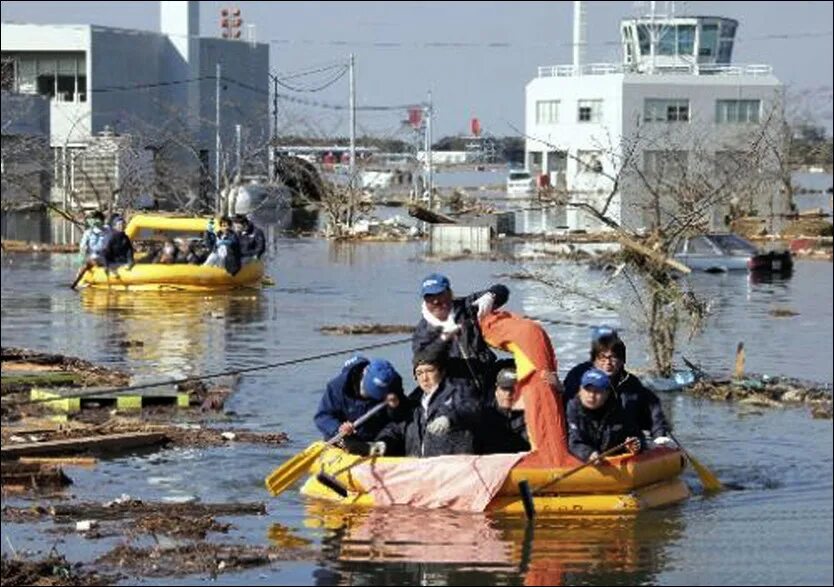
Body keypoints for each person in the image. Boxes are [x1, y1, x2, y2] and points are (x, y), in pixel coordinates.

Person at [562, 328, 674, 447]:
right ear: (594, 360)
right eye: (602, 358)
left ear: (621, 361)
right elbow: (567, 402)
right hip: (583, 440)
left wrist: (659, 435)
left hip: (620, 440)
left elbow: (652, 409)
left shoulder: (632, 384)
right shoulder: (578, 375)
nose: (608, 363)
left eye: (613, 357)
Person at [412, 273, 509, 400]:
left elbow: (502, 290)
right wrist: (443, 339)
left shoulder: (466, 307)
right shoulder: (422, 331)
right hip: (457, 392)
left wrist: (491, 296)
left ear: (450, 293)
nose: (436, 301)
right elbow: (425, 359)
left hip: (487, 378)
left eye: (440, 294)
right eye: (429, 297)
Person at [371, 351, 481, 458]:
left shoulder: (460, 393)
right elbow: (395, 428)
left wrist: (449, 418)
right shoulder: (413, 405)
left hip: (451, 470)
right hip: (420, 470)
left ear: (442, 372)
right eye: (419, 373)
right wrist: (384, 441)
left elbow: (470, 408)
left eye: (429, 371)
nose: (424, 378)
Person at [314, 356, 407, 444]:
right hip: (344, 440)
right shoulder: (337, 387)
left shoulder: (393, 385)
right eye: (368, 393)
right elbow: (322, 417)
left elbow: (401, 418)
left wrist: (395, 407)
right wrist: (338, 428)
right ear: (364, 375)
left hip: (378, 440)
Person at [566, 368, 643, 463]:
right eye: (587, 390)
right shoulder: (572, 409)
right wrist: (589, 453)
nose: (591, 395)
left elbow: (636, 435)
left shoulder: (618, 410)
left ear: (607, 393)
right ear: (580, 390)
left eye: (597, 391)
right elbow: (573, 441)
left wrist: (634, 444)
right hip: (583, 461)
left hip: (614, 462)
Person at [479, 367, 530, 454]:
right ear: (497, 389)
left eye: (513, 390)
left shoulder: (531, 415)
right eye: (504, 389)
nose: (508, 394)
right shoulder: (482, 415)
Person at [72, 210, 109, 286]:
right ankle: (75, 284)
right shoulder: (89, 232)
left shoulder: (108, 229)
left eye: (99, 219)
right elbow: (82, 247)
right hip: (96, 259)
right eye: (94, 220)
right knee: (86, 264)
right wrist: (81, 258)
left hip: (107, 257)